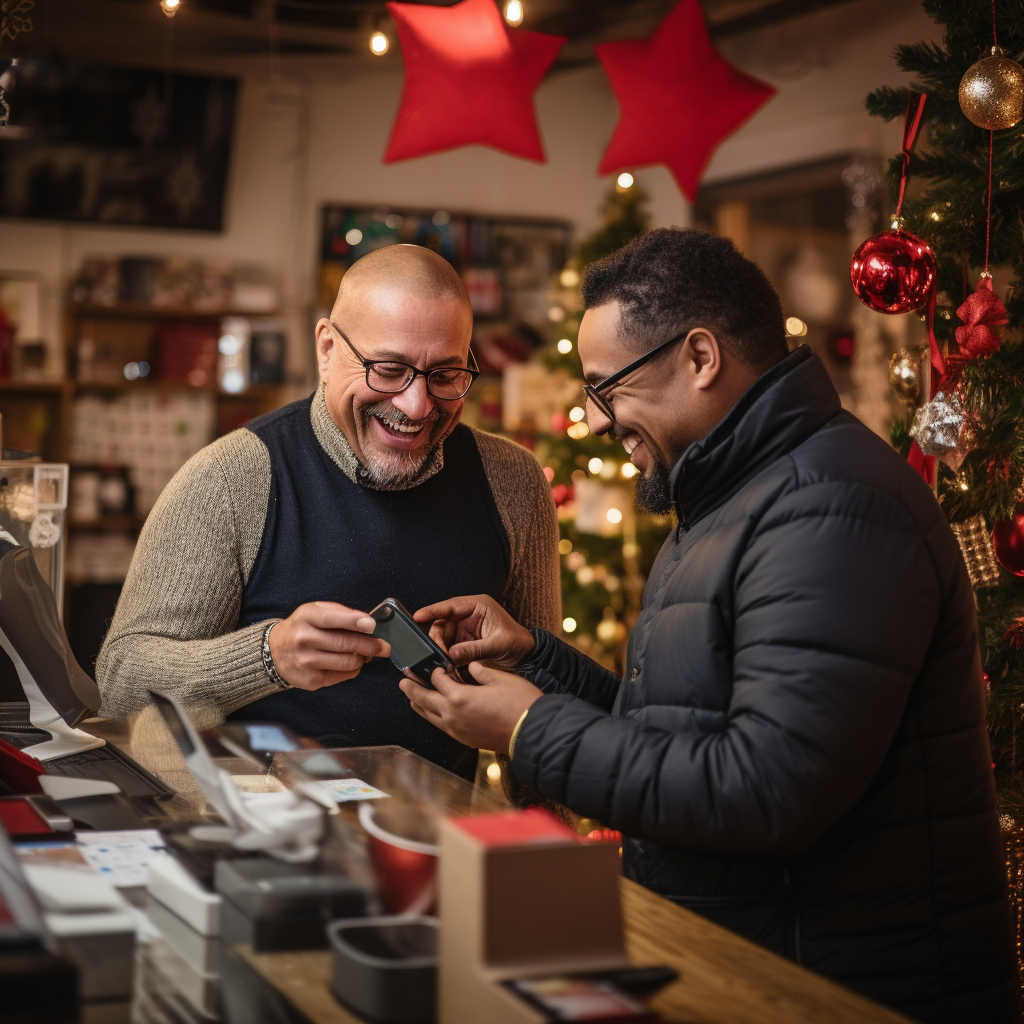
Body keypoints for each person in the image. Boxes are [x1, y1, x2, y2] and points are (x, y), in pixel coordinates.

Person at [401, 228, 1016, 1020]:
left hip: (838, 993)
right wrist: (539, 663)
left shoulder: (833, 507)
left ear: (699, 357)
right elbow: (684, 733)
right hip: (759, 968)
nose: (594, 421)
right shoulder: (732, 497)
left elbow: (765, 791)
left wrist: (530, 729)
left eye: (606, 387)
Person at [96, 244, 560, 780]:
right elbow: (122, 685)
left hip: (432, 844)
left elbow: (542, 695)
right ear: (326, 348)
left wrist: (547, 848)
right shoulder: (231, 477)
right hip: (257, 839)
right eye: (388, 370)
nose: (417, 406)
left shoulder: (513, 483)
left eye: (445, 374)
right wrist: (268, 658)